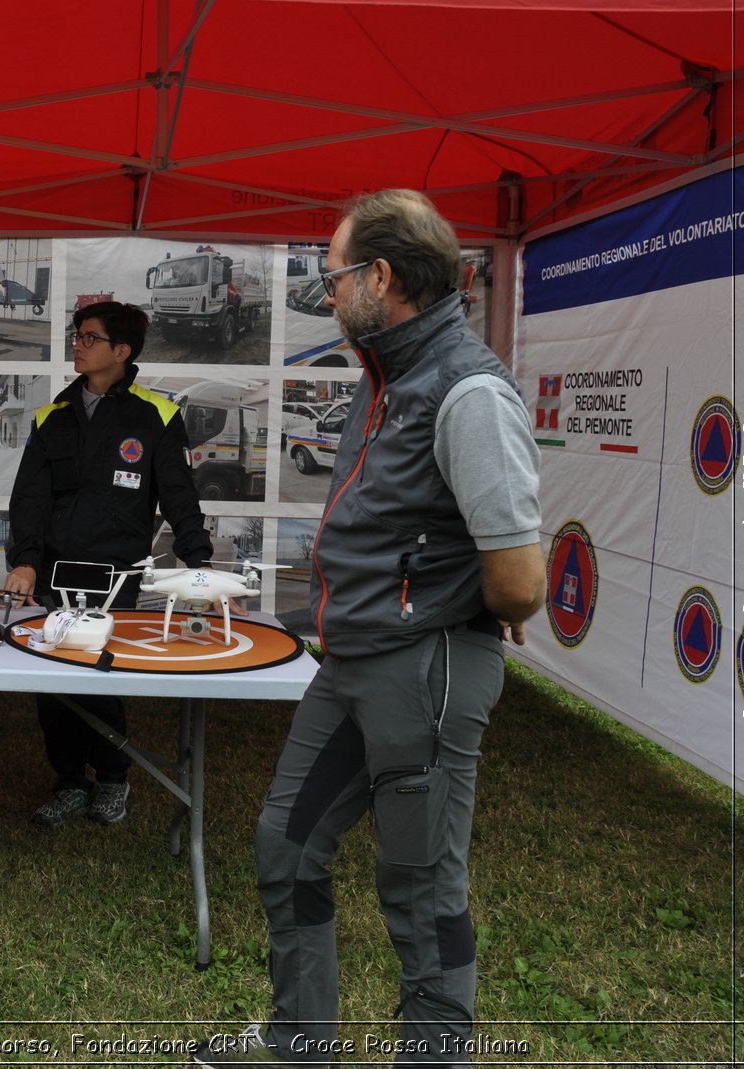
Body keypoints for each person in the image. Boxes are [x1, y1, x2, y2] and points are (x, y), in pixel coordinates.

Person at [192, 190, 544, 1067]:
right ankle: (298, 1041)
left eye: (333, 269)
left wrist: (459, 605)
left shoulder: (464, 389)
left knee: (422, 891)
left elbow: (521, 581)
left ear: (379, 277)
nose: (326, 284)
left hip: (421, 669)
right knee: (288, 841)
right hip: (352, 663)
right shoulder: (391, 372)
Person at [4, 301, 213, 827]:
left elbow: (180, 499)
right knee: (52, 686)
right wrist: (25, 562)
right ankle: (70, 781)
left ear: (121, 352)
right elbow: (28, 500)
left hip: (113, 576)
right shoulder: (51, 417)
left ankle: (114, 778)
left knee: (97, 680)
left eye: (89, 338)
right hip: (52, 575)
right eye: (77, 335)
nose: (77, 344)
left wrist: (202, 567)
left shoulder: (156, 416)